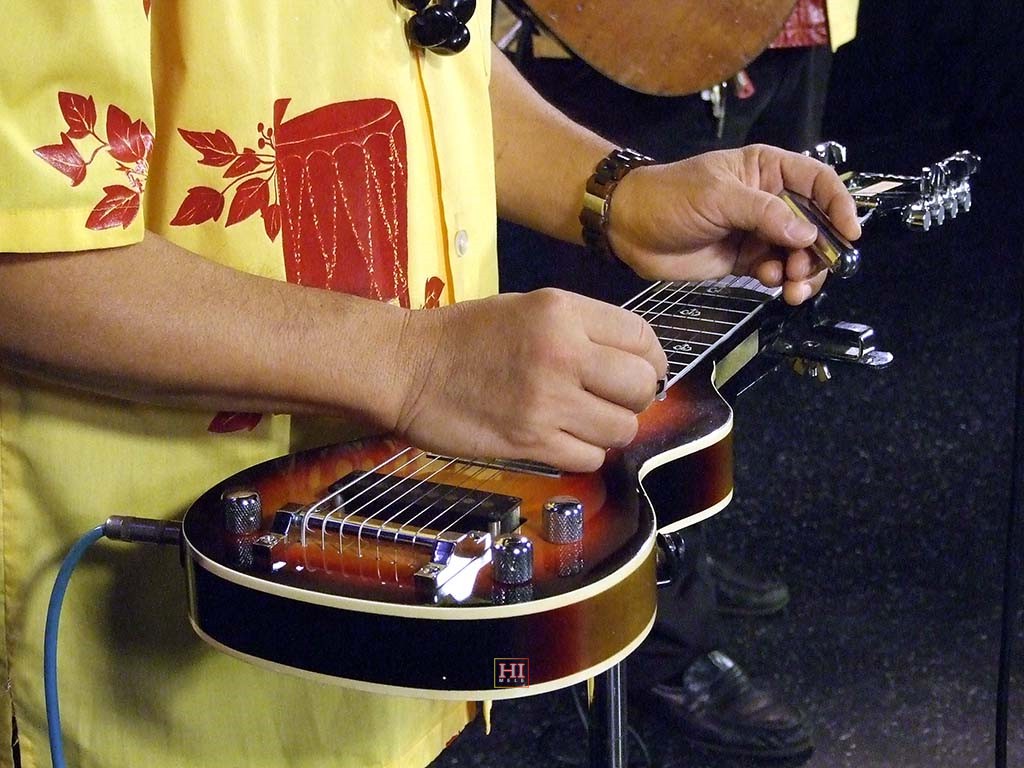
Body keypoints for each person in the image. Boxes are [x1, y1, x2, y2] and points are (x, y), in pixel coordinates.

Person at [0, 3, 859, 768]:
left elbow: (433, 55)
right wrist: (417, 363)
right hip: (144, 641)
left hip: (394, 577)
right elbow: (23, 256)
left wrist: (620, 194)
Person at [494, 0, 859, 759]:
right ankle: (655, 640)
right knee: (623, 383)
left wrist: (628, 198)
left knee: (717, 341)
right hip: (622, 36)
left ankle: (681, 558)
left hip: (781, 27)